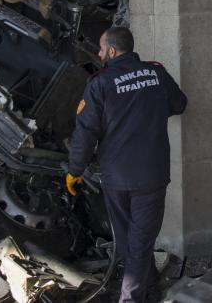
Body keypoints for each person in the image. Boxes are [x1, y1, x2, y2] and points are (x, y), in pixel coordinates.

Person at [66, 27, 188, 303]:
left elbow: (85, 134)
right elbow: (179, 104)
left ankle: (132, 298)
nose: (98, 54)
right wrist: (150, 109)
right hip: (151, 176)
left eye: (100, 48)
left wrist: (74, 171)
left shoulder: (100, 83)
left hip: (117, 178)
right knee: (137, 245)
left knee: (132, 244)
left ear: (111, 51)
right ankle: (150, 290)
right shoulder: (155, 73)